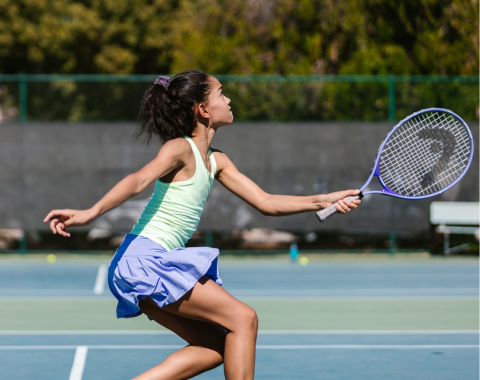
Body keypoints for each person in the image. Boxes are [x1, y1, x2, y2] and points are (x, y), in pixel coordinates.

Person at [43, 70, 361, 380]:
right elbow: (138, 180)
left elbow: (267, 203)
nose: (230, 98)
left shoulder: (217, 160)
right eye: (222, 93)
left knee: (215, 346)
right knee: (244, 319)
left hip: (142, 263)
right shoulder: (179, 148)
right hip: (143, 259)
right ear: (204, 110)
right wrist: (90, 212)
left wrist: (326, 200)